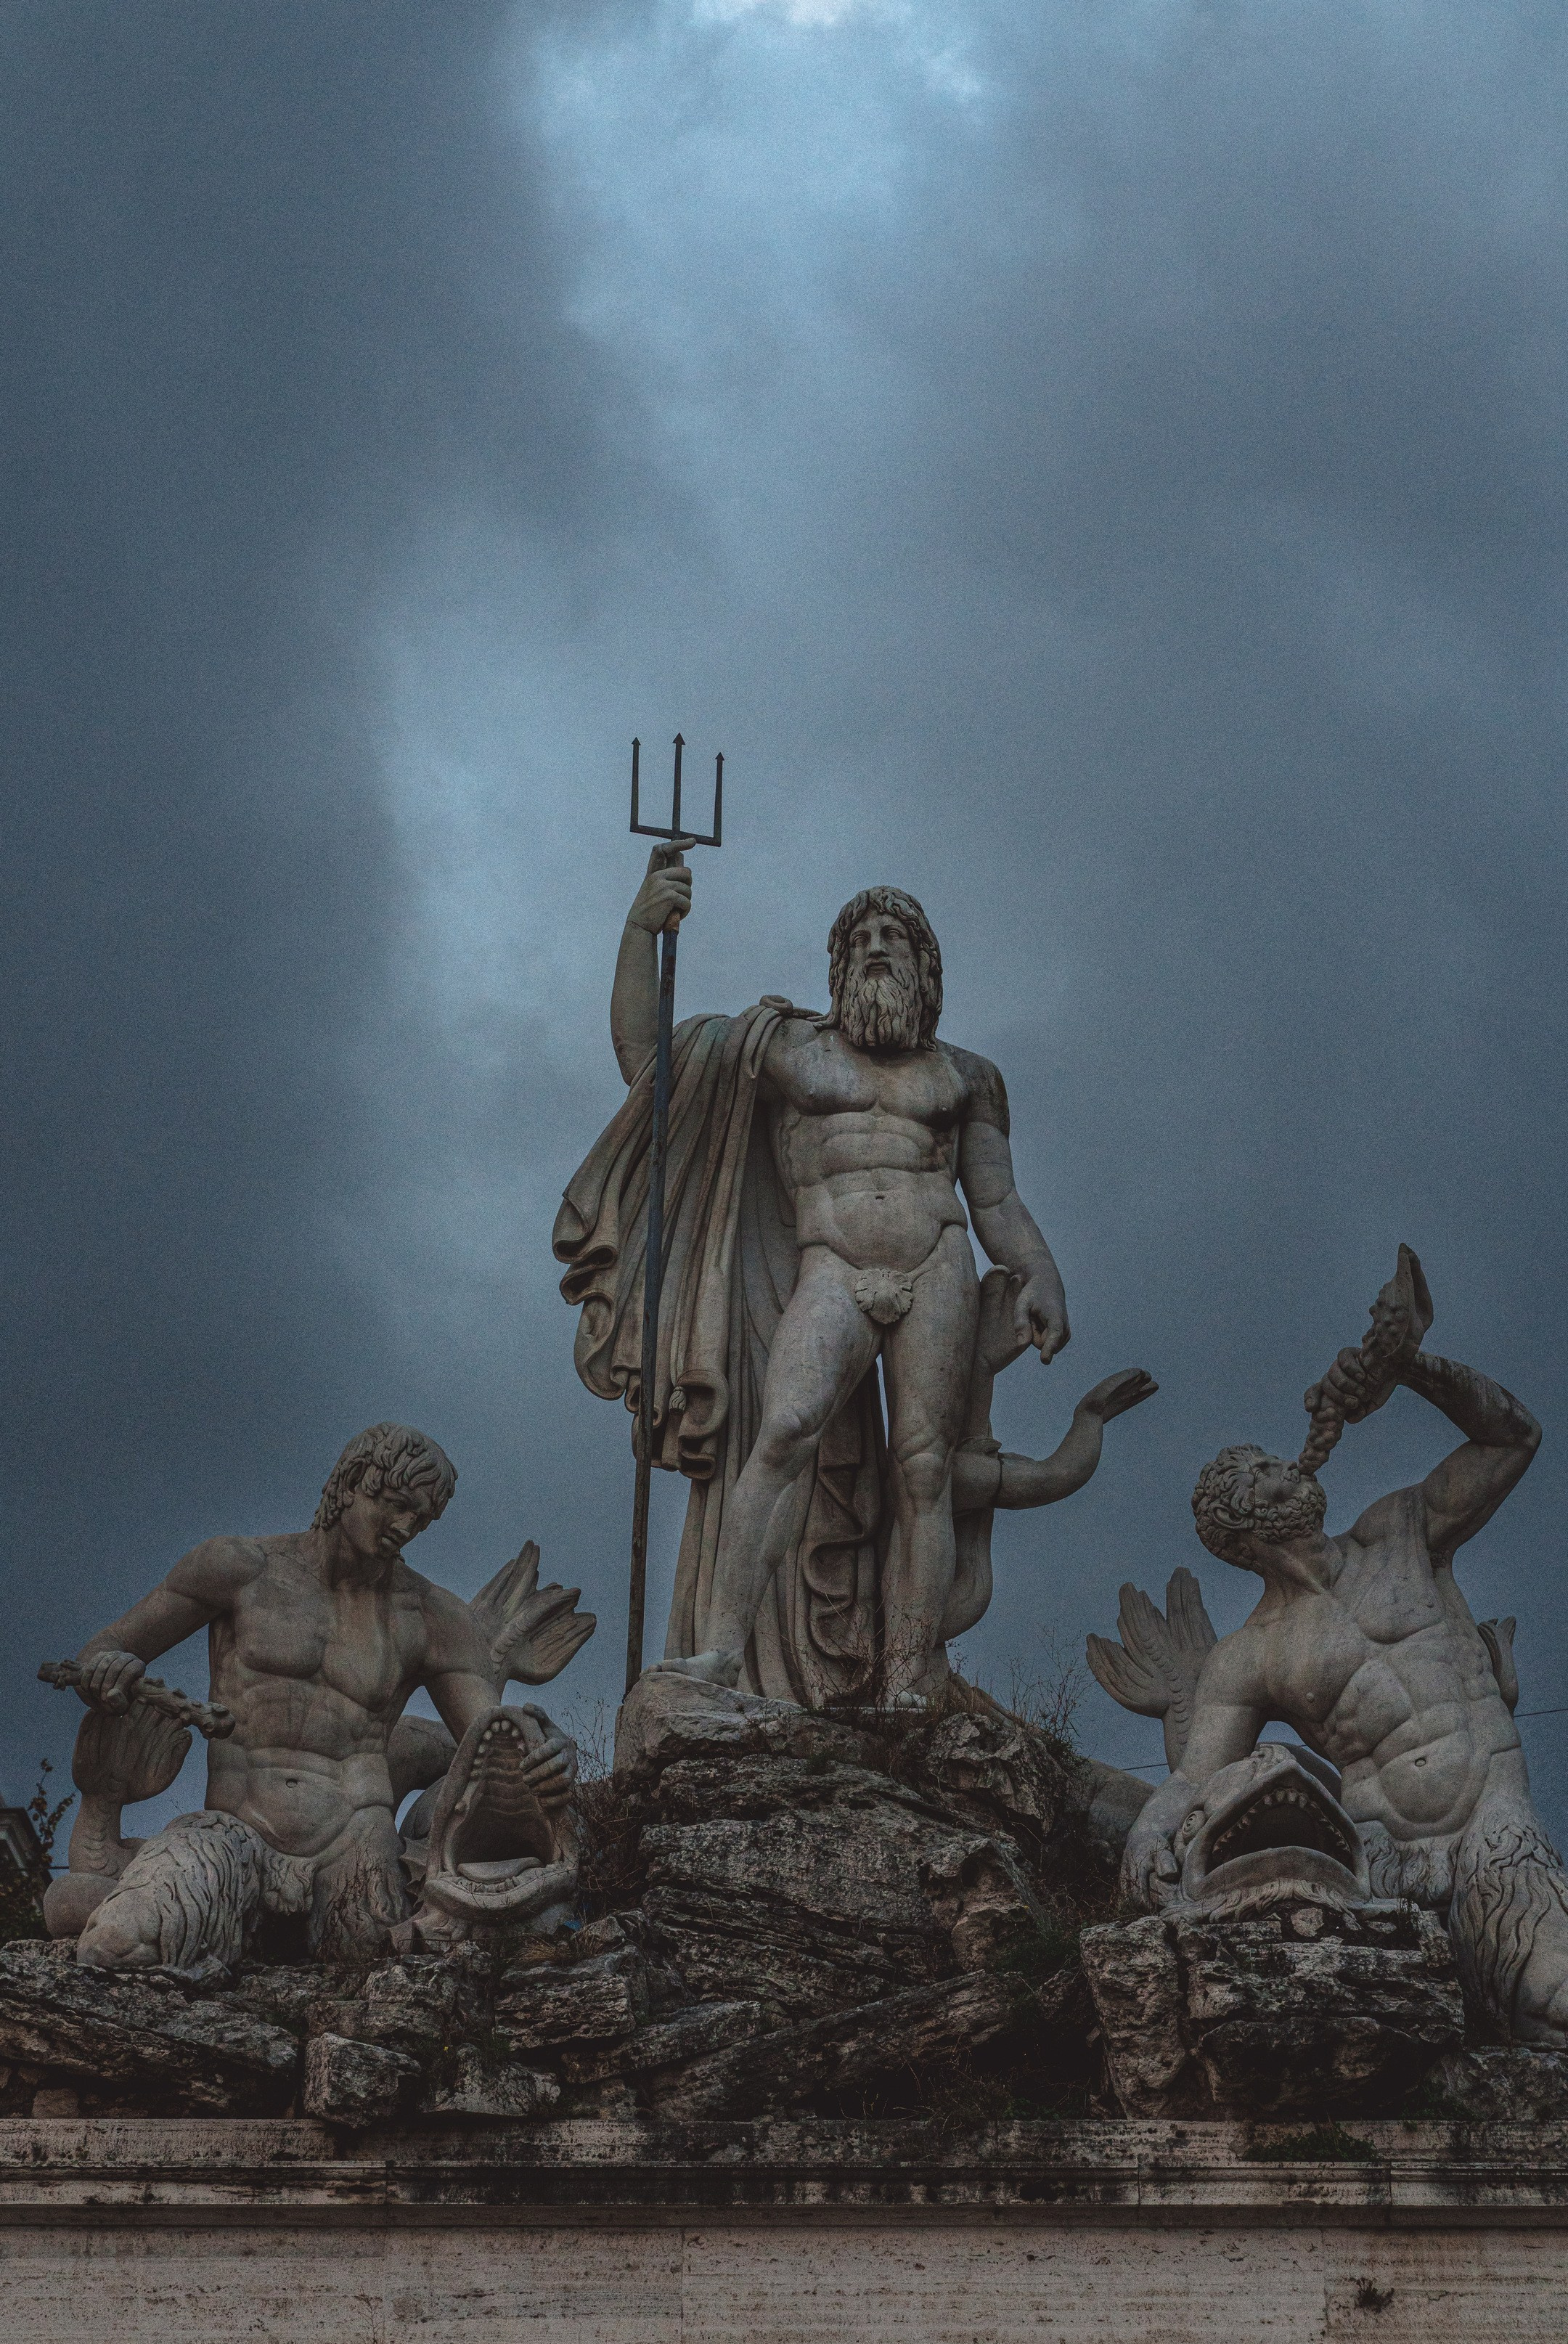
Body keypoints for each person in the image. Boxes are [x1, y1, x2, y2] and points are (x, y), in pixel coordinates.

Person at [558, 854, 1146, 1706]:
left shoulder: (967, 1076)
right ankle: (718, 1654)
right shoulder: (783, 1050)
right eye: (861, 937)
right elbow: (646, 1061)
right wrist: (641, 928)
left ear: (923, 965)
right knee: (784, 1432)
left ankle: (910, 1672)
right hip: (830, 1264)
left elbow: (995, 1195)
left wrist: (1040, 1270)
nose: (876, 947)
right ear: (838, 966)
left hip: (935, 1262)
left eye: (893, 937)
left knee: (923, 1468)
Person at [1121, 1310, 1568, 2044]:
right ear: (1242, 1525)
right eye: (1262, 1470)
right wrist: (1148, 1833)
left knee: (1552, 1994)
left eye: (1273, 1459)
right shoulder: (1251, 1655)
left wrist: (1407, 1367)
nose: (1286, 1467)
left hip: (1491, 1818)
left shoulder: (1401, 1530)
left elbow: (1513, 1436)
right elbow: (1196, 1773)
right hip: (1377, 1857)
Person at [63, 1423, 572, 1967]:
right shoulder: (238, 1568)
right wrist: (108, 1669)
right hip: (236, 1831)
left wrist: (546, 1753)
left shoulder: (430, 1615)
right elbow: (109, 1646)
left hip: (356, 1843)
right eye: (397, 1504)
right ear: (352, 1482)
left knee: (374, 1975)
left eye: (422, 1519)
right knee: (118, 1943)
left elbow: (496, 1739)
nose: (406, 1527)